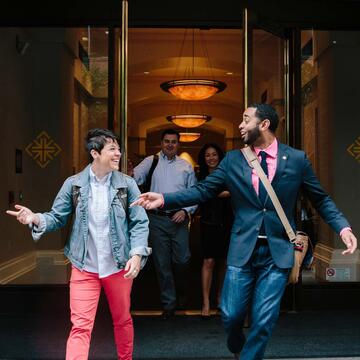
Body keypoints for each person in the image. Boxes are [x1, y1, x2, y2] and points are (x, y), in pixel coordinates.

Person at [131, 103, 358, 360]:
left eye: (246, 119)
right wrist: (163, 198)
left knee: (263, 320)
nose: (240, 125)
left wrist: (343, 227)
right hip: (243, 249)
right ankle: (237, 342)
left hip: (278, 252)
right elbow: (203, 191)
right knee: (230, 314)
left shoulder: (296, 159)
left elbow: (321, 199)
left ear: (264, 125)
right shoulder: (233, 160)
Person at [7, 129, 151, 360]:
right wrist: (35, 218)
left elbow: (139, 223)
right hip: (84, 268)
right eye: (112, 149)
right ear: (95, 153)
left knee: (122, 319)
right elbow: (57, 217)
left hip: (119, 267)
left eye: (118, 148)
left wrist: (136, 254)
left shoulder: (128, 185)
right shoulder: (74, 185)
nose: (119, 153)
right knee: (81, 327)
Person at [133, 128, 197, 319]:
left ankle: (182, 290)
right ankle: (169, 304)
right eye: (167, 141)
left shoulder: (186, 166)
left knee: (182, 260)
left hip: (179, 219)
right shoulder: (150, 161)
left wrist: (185, 210)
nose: (170, 144)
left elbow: (194, 194)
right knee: (162, 264)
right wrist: (126, 170)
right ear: (161, 143)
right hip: (156, 219)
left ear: (178, 144)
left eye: (174, 142)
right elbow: (134, 178)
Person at [197, 143, 233, 318]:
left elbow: (234, 192)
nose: (211, 158)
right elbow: (199, 195)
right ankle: (206, 301)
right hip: (207, 223)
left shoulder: (228, 174)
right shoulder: (200, 176)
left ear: (220, 156)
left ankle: (220, 298)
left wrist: (213, 193)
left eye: (214, 154)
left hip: (227, 222)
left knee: (224, 262)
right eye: (207, 155)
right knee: (208, 262)